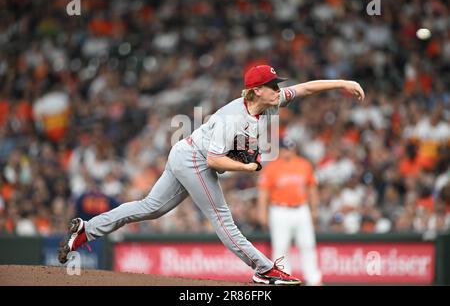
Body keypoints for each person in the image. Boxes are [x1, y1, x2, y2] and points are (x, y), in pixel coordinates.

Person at [58, 64, 364, 285]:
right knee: (222, 218)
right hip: (195, 159)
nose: (278, 89)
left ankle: (86, 230)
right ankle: (264, 269)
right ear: (257, 91)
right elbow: (214, 161)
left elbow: (307, 88)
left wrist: (342, 83)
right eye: (272, 85)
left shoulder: (270, 100)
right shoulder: (232, 118)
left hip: (186, 153)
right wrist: (245, 166)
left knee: (151, 207)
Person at [257, 137, 322, 285]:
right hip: (280, 210)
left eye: (291, 148)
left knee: (308, 245)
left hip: (301, 209)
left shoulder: (304, 165)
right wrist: (262, 214)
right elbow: (263, 193)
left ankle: (314, 280)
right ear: (280, 150)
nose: (288, 152)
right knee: (280, 247)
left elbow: (312, 188)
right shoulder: (272, 167)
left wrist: (313, 209)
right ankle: (283, 279)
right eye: (286, 149)